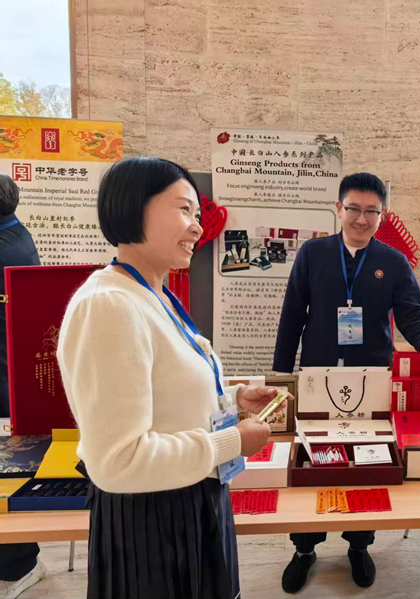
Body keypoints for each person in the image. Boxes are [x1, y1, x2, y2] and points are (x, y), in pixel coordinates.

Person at [57, 157, 286, 599]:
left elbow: (164, 391)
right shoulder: (109, 305)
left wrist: (234, 397)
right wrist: (232, 442)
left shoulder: (152, 294)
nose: (197, 228)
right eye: (183, 209)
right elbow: (118, 462)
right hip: (152, 524)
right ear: (133, 207)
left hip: (192, 499)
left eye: (197, 214)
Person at [274, 172, 420, 593]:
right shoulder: (314, 253)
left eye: (371, 211)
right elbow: (292, 316)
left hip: (372, 376)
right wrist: (283, 377)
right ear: (338, 208)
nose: (361, 219)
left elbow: (411, 313)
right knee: (313, 458)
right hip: (317, 374)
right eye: (353, 208)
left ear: (382, 214)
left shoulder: (393, 261)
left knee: (367, 461)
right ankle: (304, 548)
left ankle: (359, 544)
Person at [0, 174, 47, 599]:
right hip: (6, 374)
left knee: (7, 474)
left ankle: (20, 566)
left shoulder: (8, 246)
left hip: (5, 380)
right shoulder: (13, 233)